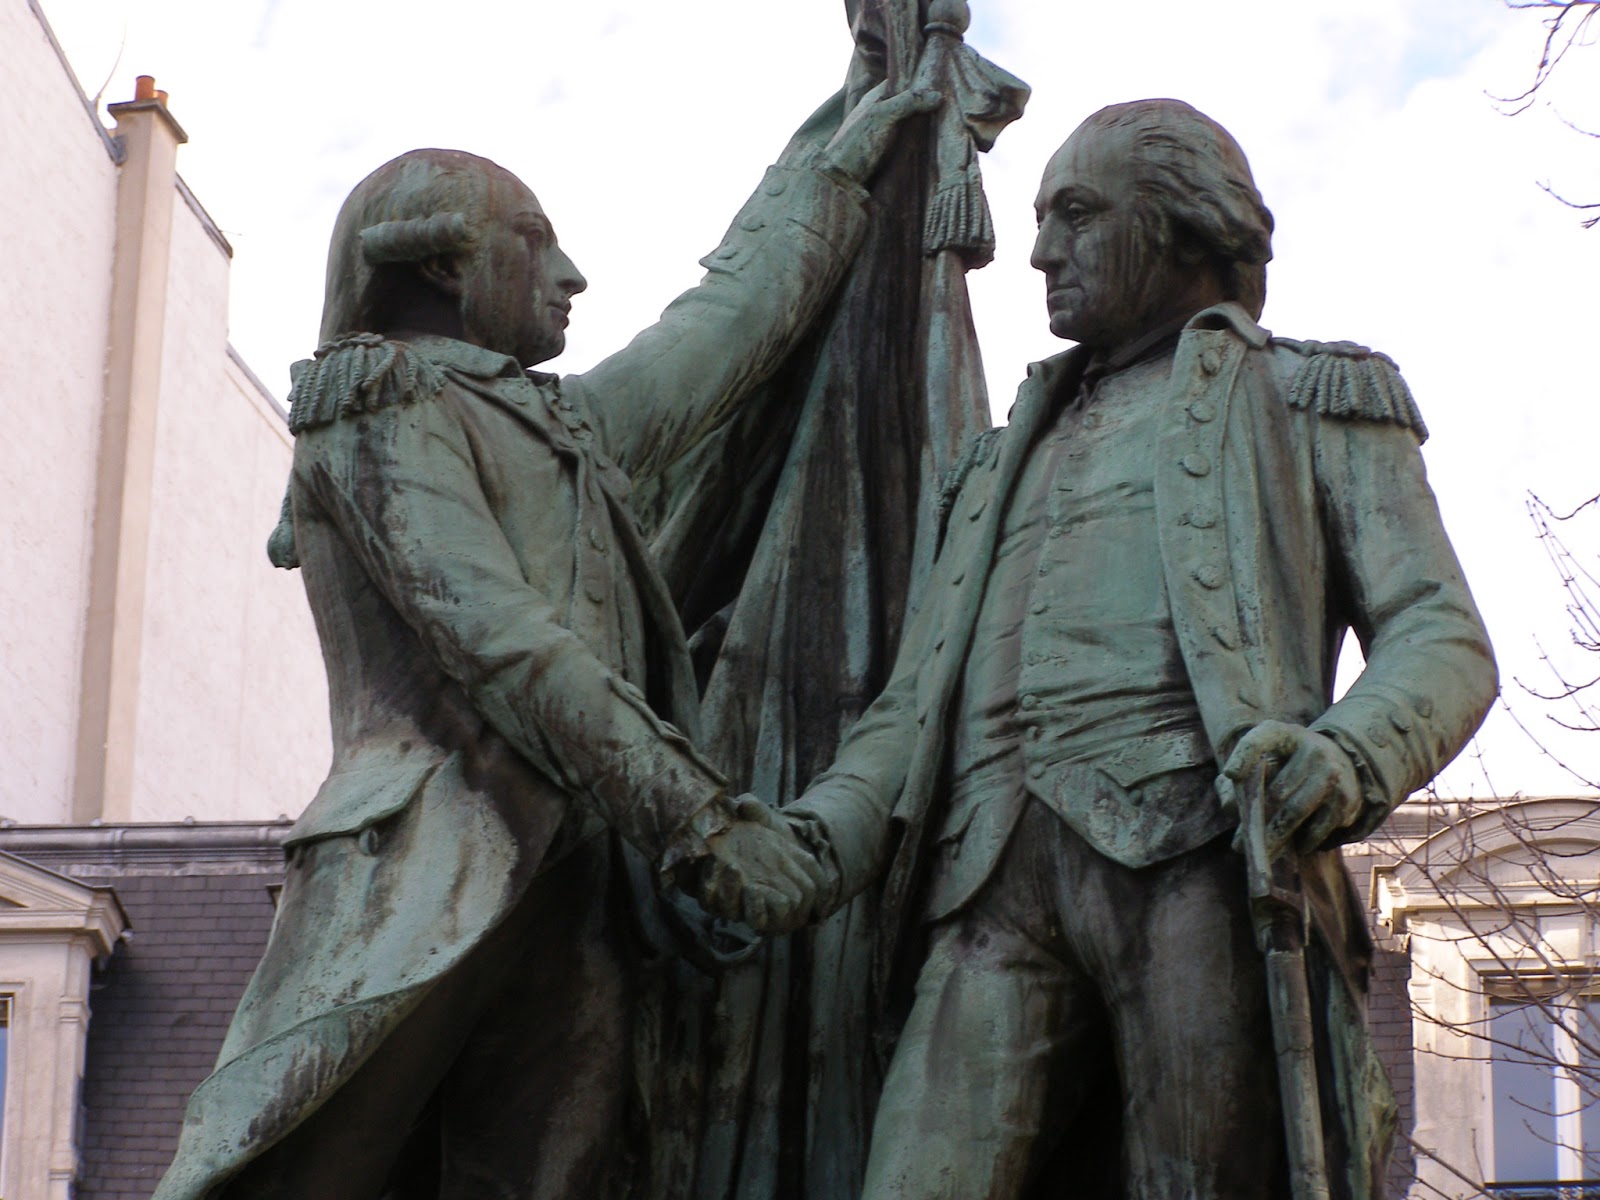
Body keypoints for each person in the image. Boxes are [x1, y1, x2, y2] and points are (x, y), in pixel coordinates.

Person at [151, 83, 932, 1200]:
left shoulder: (566, 426)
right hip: (423, 869)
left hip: (582, 890)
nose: (570, 275)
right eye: (536, 243)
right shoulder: (375, 408)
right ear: (441, 266)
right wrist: (702, 823)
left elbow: (721, 328)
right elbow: (499, 640)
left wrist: (838, 162)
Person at [716, 99, 1498, 1200]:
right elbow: (909, 711)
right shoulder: (993, 464)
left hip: (1193, 861)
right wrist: (813, 840)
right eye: (1039, 219)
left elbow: (1440, 636)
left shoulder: (1306, 396)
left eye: (1076, 215)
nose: (1039, 251)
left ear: (1181, 224)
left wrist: (1346, 757)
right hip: (982, 887)